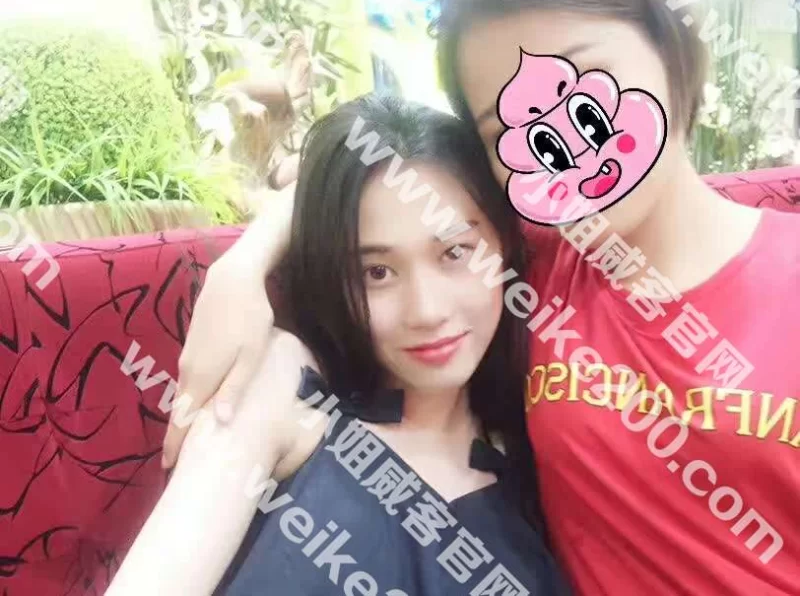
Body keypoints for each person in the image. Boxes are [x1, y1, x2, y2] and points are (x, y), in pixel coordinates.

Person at [163, 0, 800, 596]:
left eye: (590, 86)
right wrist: (243, 265)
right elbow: (382, 172)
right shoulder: (527, 265)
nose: (566, 145)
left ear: (670, 53)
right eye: (512, 129)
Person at [107, 94, 569, 595]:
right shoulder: (287, 392)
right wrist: (243, 265)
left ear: (505, 245)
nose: (426, 311)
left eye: (455, 253)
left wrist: (247, 258)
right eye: (376, 272)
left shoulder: (548, 441)